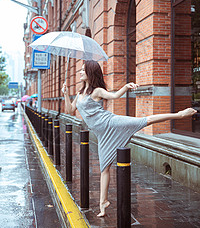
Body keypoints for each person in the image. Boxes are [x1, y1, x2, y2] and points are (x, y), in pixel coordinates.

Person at [62, 60, 196, 217]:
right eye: (80, 70)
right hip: (102, 134)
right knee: (104, 167)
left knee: (145, 120)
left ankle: (179, 114)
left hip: (112, 123)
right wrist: (65, 93)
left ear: (90, 73)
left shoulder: (97, 91)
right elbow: (70, 109)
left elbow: (114, 96)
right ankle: (103, 203)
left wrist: (126, 86)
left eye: (83, 70)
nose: (80, 72)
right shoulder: (79, 94)